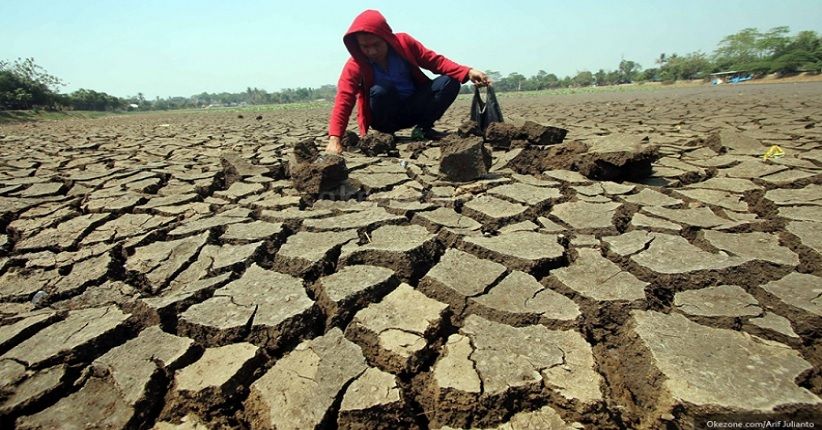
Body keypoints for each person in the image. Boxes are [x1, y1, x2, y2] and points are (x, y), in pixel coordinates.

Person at [326, 9, 491, 155]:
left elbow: (435, 61)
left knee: (451, 81)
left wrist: (467, 71)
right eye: (365, 46)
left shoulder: (404, 43)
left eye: (376, 44)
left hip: (413, 107)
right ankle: (387, 135)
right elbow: (344, 99)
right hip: (385, 118)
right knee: (381, 90)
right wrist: (335, 139)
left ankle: (422, 129)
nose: (372, 51)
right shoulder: (355, 64)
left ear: (387, 38)